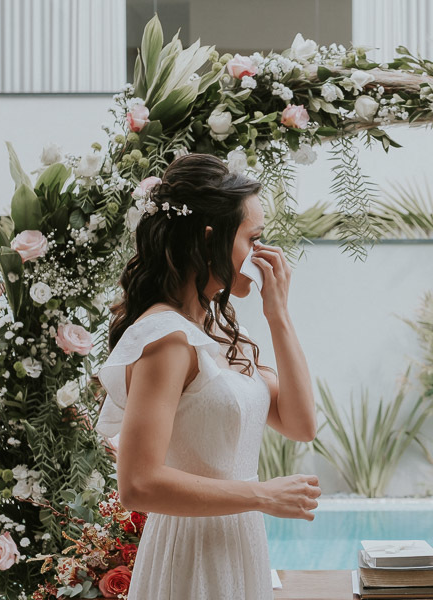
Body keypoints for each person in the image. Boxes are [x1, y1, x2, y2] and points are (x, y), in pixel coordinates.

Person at [95, 153, 320, 599]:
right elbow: (137, 484)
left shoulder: (216, 327)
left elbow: (301, 424)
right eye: (253, 237)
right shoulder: (167, 339)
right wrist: (261, 495)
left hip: (240, 547)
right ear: (208, 238)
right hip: (191, 556)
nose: (262, 252)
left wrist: (279, 316)